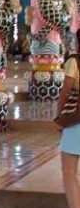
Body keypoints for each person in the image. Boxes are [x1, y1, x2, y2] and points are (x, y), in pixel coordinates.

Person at [60, 50, 80, 208]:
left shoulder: (74, 62)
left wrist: (60, 117)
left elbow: (65, 92)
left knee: (69, 171)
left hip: (76, 121)